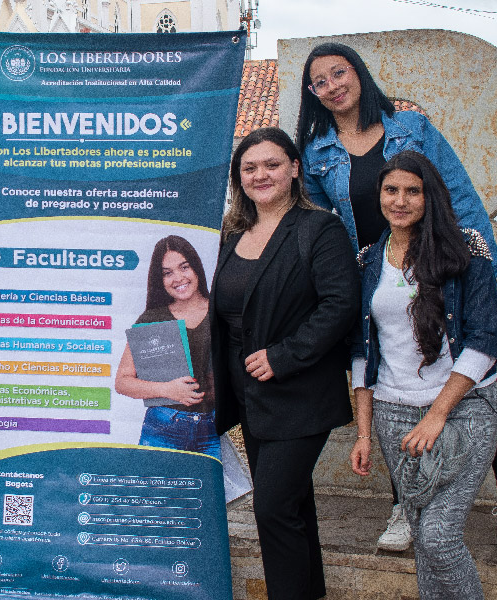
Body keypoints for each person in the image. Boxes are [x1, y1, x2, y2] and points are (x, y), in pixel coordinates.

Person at [296, 41, 497, 551]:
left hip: (439, 268)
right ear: (313, 94)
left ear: (358, 73)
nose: (332, 86)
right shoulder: (316, 154)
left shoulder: (411, 128)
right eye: (319, 82)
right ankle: (404, 506)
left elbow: (459, 196)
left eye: (339, 72)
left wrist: (482, 270)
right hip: (379, 275)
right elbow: (322, 229)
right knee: (396, 393)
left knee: (475, 379)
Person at [210, 127, 359, 600]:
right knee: (293, 506)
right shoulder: (232, 234)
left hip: (300, 391)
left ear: (294, 168)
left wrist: (284, 356)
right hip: (249, 394)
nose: (261, 175)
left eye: (272, 164)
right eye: (249, 167)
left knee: (272, 508)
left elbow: (341, 304)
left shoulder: (319, 229)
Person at [349, 150, 497, 598]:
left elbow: (486, 337)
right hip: (394, 414)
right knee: (422, 535)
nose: (400, 201)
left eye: (412, 191)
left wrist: (437, 415)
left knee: (438, 537)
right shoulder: (368, 260)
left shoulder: (466, 247)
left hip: (464, 409)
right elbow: (362, 352)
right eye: (391, 190)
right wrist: (363, 433)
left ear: (429, 196)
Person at [115, 235, 219, 459]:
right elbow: (122, 382)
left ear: (196, 268)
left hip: (213, 430)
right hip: (163, 429)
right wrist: (167, 390)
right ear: (159, 279)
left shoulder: (220, 311)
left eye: (184, 267)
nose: (178, 278)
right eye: (167, 273)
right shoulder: (153, 319)